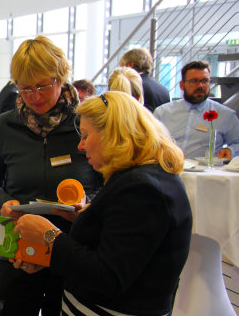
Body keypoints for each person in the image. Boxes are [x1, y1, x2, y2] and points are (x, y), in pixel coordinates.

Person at [14, 91, 192, 315]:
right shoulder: (141, 177)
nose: (80, 146)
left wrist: (49, 236)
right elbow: (118, 245)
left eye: (86, 136)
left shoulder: (142, 190)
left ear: (113, 136)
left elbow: (109, 276)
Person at [0, 35, 101, 316]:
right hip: (20, 248)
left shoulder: (85, 123)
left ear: (61, 77)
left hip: (74, 248)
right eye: (25, 88)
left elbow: (109, 184)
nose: (34, 97)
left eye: (43, 86)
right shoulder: (5, 127)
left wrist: (88, 205)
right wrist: (2, 202)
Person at [154, 60, 239, 159]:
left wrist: (230, 150)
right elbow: (149, 143)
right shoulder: (162, 112)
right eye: (194, 81)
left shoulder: (225, 115)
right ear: (182, 85)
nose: (200, 86)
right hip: (168, 170)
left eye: (205, 81)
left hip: (206, 173)